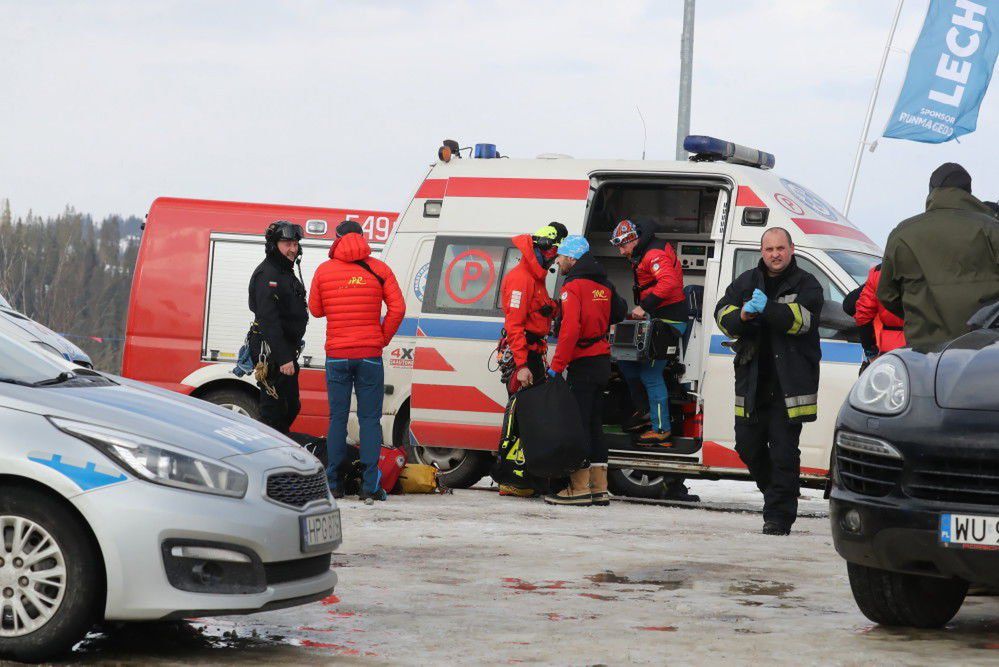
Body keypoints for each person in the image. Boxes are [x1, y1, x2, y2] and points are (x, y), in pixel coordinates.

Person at [714, 227, 823, 535]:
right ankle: (776, 493)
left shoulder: (808, 283)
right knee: (746, 446)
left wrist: (769, 308)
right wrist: (744, 315)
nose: (775, 254)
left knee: (784, 453)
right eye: (769, 249)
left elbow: (803, 321)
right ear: (762, 252)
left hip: (790, 385)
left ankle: (778, 516)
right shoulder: (747, 281)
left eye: (780, 248)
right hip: (752, 382)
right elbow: (722, 313)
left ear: (791, 249)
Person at [309, 220, 406, 504]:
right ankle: (369, 486)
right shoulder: (379, 269)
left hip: (337, 355)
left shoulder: (324, 271)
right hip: (369, 356)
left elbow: (315, 310)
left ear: (337, 239)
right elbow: (398, 308)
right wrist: (381, 338)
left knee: (337, 419)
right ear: (362, 238)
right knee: (369, 420)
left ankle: (334, 484)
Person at [543, 236, 626, 506]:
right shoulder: (604, 283)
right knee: (594, 425)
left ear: (572, 258)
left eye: (562, 256)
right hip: (602, 361)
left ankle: (578, 488)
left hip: (583, 362)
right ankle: (599, 488)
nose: (558, 261)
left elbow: (570, 330)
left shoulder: (573, 286)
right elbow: (620, 311)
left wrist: (556, 367)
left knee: (577, 425)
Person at [878, 163, 999, 349]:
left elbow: (887, 294)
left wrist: (921, 315)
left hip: (923, 352)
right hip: (984, 350)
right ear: (969, 193)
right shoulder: (992, 229)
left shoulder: (903, 233)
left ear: (931, 191)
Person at [609, 218, 688, 446]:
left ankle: (661, 429)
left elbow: (669, 283)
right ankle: (645, 410)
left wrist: (644, 306)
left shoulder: (653, 254)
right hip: (658, 318)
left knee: (650, 375)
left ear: (633, 239)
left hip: (670, 320)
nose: (621, 251)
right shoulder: (646, 249)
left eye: (623, 246)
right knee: (626, 363)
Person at [247, 221, 308, 435]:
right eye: (287, 244)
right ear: (274, 245)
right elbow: (268, 319)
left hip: (284, 349)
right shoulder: (267, 274)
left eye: (295, 244)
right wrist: (283, 358)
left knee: (291, 406)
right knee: (274, 410)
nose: (293, 249)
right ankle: (263, 455)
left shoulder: (284, 271)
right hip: (272, 351)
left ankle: (277, 447)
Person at [499, 222, 568, 394]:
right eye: (553, 254)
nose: (553, 260)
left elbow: (541, 307)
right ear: (542, 247)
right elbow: (514, 325)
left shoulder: (536, 279)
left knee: (533, 412)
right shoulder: (521, 279)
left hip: (533, 353)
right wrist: (521, 365)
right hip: (524, 357)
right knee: (523, 412)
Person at [853, 264, 906, 359]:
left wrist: (870, 349)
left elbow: (863, 313)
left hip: (890, 349)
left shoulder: (880, 272)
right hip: (929, 349)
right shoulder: (933, 269)